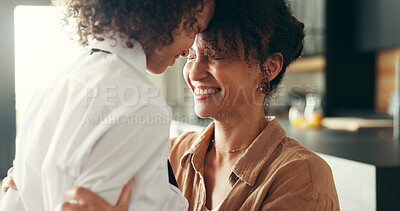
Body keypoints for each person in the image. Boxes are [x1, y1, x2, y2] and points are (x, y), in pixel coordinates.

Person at [4, 0, 340, 210]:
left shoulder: (300, 175)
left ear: (269, 67)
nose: (193, 71)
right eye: (190, 54)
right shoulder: (174, 152)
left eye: (217, 56)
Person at [0, 0, 214, 210]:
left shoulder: (50, 91)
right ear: (165, 12)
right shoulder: (138, 102)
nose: (188, 51)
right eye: (193, 27)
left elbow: (13, 202)